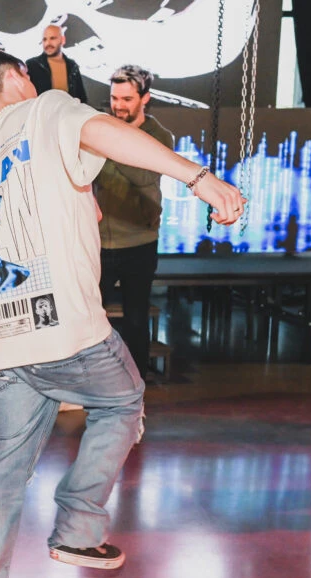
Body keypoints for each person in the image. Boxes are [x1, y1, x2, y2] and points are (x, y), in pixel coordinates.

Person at [0, 49, 244, 578]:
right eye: (26, 73)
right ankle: (78, 524)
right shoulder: (47, 107)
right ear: (15, 79)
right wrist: (199, 177)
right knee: (124, 399)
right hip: (60, 328)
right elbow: (104, 130)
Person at [96, 65, 174, 379]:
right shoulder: (100, 128)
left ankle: (135, 385)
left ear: (145, 98)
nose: (118, 105)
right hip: (98, 242)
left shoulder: (159, 136)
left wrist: (112, 144)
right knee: (89, 318)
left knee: (136, 320)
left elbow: (143, 175)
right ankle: (92, 382)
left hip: (139, 243)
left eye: (127, 98)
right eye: (114, 98)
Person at [25, 23, 88, 101]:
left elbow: (82, 98)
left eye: (52, 38)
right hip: (43, 112)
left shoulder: (72, 66)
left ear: (63, 40)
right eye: (44, 39)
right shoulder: (32, 65)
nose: (48, 43)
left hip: (69, 112)